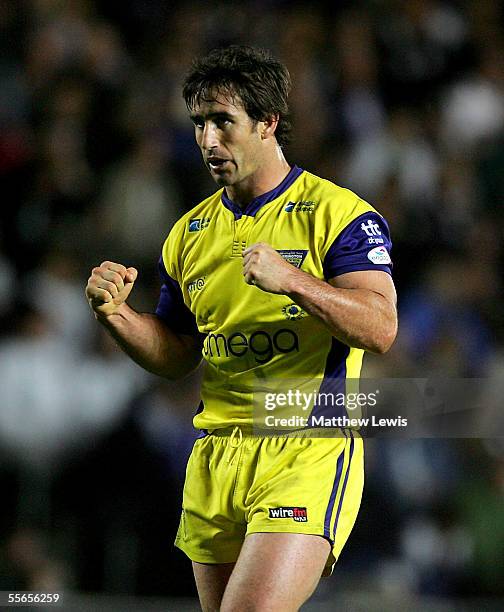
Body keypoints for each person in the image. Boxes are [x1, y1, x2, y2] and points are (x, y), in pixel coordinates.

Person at [85, 45, 397, 611]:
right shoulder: (188, 234)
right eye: (200, 124)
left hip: (304, 447)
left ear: (268, 122)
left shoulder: (339, 213)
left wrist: (295, 280)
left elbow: (380, 328)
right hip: (214, 455)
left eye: (224, 122)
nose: (208, 141)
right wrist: (118, 318)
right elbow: (177, 353)